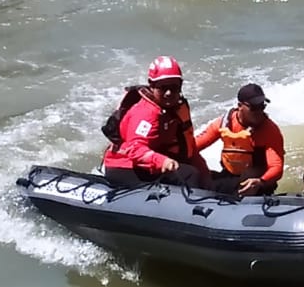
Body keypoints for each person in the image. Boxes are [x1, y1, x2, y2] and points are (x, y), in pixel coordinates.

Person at [101, 56, 211, 190]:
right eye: (163, 88)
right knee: (189, 175)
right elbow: (135, 149)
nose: (169, 93)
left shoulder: (176, 109)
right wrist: (162, 161)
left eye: (174, 87)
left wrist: (205, 175)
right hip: (124, 166)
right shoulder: (146, 114)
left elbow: (190, 149)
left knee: (198, 173)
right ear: (151, 85)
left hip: (153, 163)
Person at [194, 83, 284, 197]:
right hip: (230, 176)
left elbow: (276, 168)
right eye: (254, 107)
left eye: (262, 106)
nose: (259, 111)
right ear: (240, 105)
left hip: (257, 183)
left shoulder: (270, 131)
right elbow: (192, 147)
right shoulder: (224, 124)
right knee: (197, 178)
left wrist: (261, 182)